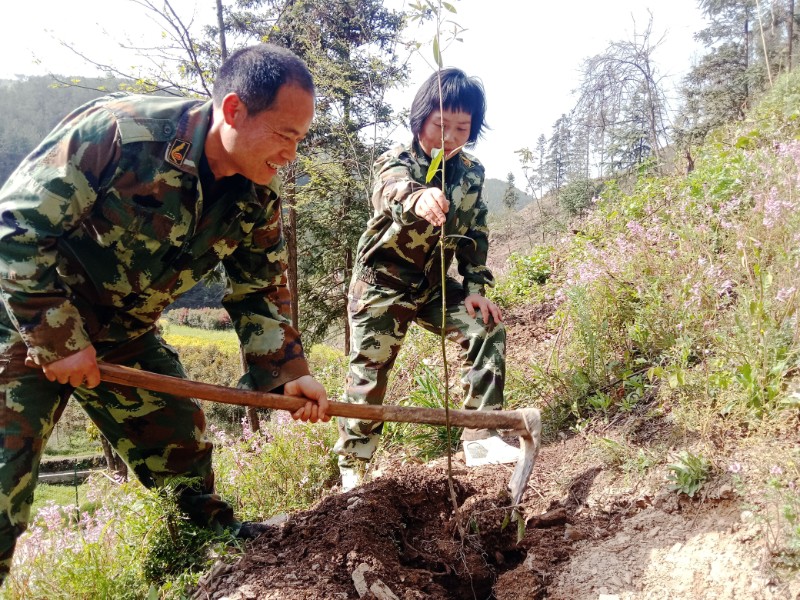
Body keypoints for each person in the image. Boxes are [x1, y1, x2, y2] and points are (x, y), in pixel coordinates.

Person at [0, 43, 329, 584]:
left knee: (182, 459)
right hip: (22, 318)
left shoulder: (256, 197)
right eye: (284, 135)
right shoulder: (119, 135)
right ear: (233, 111)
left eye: (300, 139)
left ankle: (212, 565)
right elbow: (16, 228)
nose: (290, 154)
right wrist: (58, 338)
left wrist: (290, 375)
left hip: (124, 335)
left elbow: (261, 295)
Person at [334, 68, 518, 491]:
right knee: (369, 372)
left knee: (486, 328)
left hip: (433, 285)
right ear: (420, 120)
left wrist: (474, 289)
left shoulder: (471, 172)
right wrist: (417, 195)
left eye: (462, 128)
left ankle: (481, 436)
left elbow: (475, 233)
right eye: (441, 126)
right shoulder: (396, 160)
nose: (450, 137)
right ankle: (354, 470)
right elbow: (389, 190)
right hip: (381, 283)